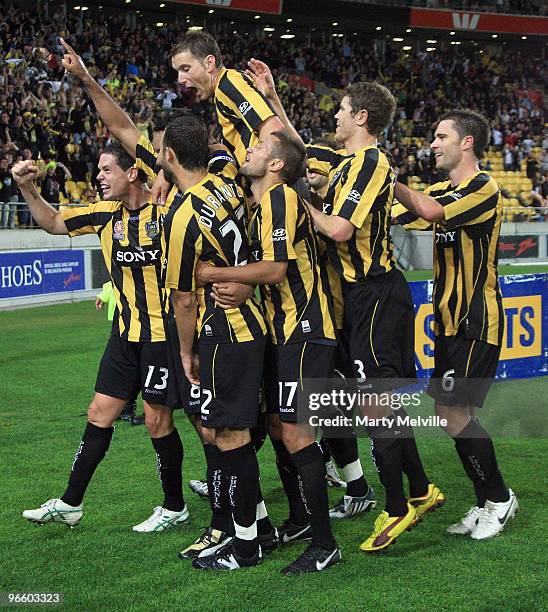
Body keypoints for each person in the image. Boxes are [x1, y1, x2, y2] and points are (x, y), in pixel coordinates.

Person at [246, 60, 443, 551]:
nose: (334, 117)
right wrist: (272, 99)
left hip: (376, 293)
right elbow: (293, 150)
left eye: (341, 110)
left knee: (379, 407)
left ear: (361, 118)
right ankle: (421, 491)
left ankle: (396, 510)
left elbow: (339, 230)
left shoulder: (371, 162)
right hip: (358, 298)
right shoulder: (349, 164)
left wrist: (295, 200)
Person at [14, 142, 189, 533]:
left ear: (131, 173)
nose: (98, 177)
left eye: (107, 169)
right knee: (99, 413)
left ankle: (175, 506)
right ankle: (70, 503)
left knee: (157, 421)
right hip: (124, 335)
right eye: (99, 170)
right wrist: (28, 189)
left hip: (163, 337)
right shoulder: (104, 214)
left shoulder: (168, 213)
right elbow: (55, 223)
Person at [196, 130, 341, 575]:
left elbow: (276, 269)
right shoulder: (260, 205)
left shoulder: (280, 199)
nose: (249, 151)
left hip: (306, 329)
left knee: (297, 435)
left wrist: (213, 273)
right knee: (279, 428)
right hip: (285, 332)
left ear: (277, 164)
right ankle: (299, 520)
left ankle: (324, 544)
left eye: (257, 147)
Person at [392, 109, 518, 540]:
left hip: (476, 318)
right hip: (447, 323)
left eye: (441, 136)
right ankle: (486, 500)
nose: (433, 142)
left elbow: (427, 212)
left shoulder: (485, 187)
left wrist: (385, 177)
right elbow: (400, 214)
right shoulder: (442, 188)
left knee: (453, 412)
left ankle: (499, 498)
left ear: (467, 142)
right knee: (451, 414)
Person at [158, 114, 276, 570]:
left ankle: (245, 546)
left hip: (226, 330)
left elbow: (184, 299)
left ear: (169, 157)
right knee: (235, 433)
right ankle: (259, 526)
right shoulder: (227, 180)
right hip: (256, 316)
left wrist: (186, 352)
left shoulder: (182, 217)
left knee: (230, 435)